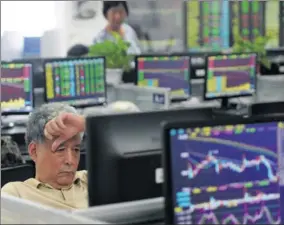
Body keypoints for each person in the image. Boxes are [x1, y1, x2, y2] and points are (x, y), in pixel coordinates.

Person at [1, 103, 87, 210]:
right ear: (34, 151)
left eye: (76, 149)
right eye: (60, 149)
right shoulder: (16, 194)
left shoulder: (88, 180)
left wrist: (85, 123)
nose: (70, 160)